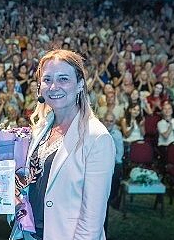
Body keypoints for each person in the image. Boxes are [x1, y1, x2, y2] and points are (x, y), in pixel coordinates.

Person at [15, 49, 115, 240]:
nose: (53, 86)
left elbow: (92, 220)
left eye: (63, 79)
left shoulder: (97, 138)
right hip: (30, 233)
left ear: (80, 85)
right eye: (47, 79)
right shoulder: (42, 126)